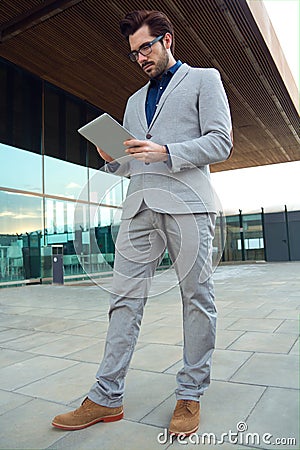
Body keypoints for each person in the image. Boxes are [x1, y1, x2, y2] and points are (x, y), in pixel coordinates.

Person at [52, 9, 232, 436]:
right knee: (124, 301)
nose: (140, 59)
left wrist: (166, 150)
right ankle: (105, 396)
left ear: (167, 40)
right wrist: (113, 160)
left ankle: (190, 394)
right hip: (139, 209)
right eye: (134, 54)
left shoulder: (205, 79)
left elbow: (221, 142)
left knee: (196, 298)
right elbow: (134, 162)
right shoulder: (135, 101)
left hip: (188, 205)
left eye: (146, 48)